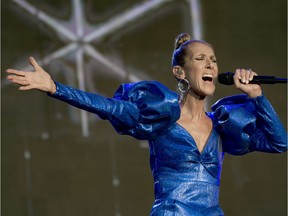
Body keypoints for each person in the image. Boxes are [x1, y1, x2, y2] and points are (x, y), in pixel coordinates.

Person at [6, 33, 287, 215]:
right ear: (180, 72)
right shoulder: (162, 117)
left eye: (213, 60)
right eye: (201, 59)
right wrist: (55, 87)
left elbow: (280, 143)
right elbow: (108, 106)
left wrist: (257, 96)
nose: (211, 65)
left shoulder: (222, 126)